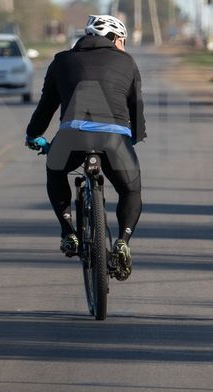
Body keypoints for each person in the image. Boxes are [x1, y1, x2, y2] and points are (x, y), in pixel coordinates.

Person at [25, 14, 145, 281]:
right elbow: (136, 106)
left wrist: (33, 135)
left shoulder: (62, 60)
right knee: (131, 189)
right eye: (122, 41)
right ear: (114, 39)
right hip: (115, 139)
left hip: (71, 138)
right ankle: (123, 242)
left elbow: (46, 107)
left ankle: (68, 230)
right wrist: (134, 137)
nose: (123, 46)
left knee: (55, 171)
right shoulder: (127, 61)